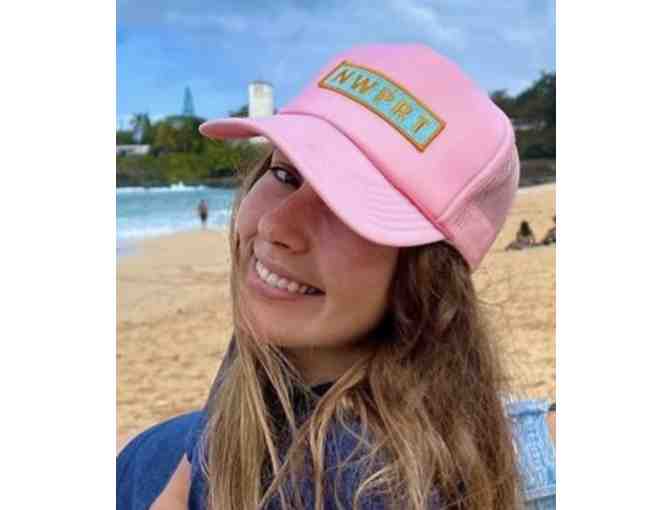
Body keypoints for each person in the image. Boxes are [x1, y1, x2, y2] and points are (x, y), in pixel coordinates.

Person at [118, 44, 556, 509]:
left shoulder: (350, 478)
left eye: (344, 210)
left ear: (427, 281)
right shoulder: (286, 338)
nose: (276, 225)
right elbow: (197, 458)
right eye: (285, 175)